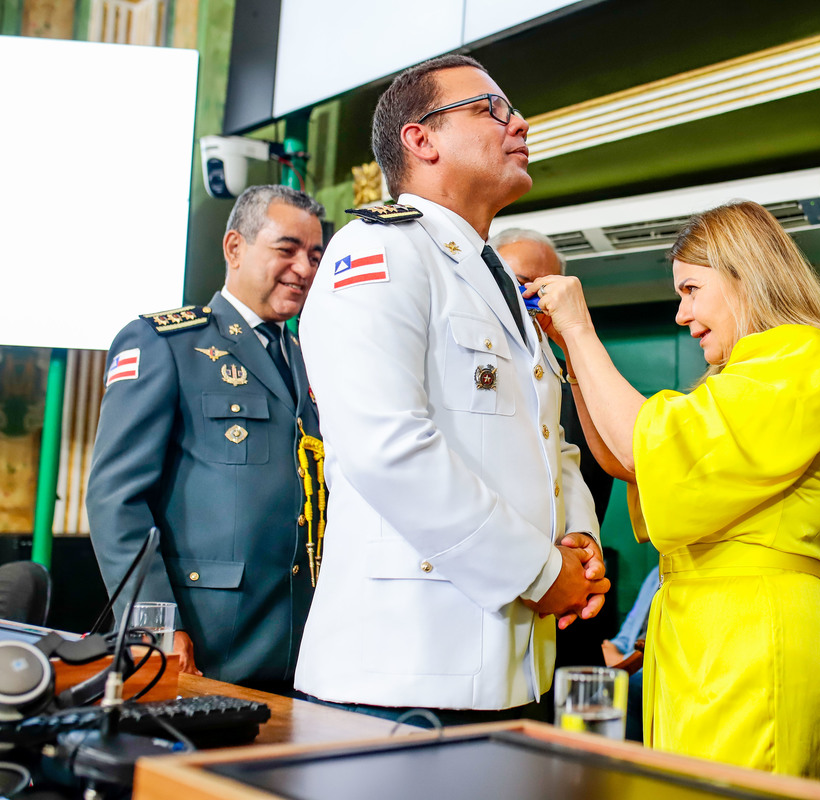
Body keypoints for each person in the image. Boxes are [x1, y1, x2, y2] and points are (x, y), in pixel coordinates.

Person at [294, 54, 608, 724]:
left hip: (509, 670)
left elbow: (549, 443)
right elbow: (387, 445)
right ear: (421, 139)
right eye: (491, 109)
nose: (518, 122)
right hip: (402, 677)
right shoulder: (375, 253)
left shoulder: (493, 278)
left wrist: (580, 537)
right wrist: (543, 573)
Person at [530, 201, 820, 777]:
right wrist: (571, 353)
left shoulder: (804, 357)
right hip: (697, 635)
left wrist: (583, 330)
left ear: (745, 275)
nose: (682, 314)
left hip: (754, 638)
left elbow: (641, 446)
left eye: (691, 289)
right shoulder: (743, 377)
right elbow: (624, 461)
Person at [87, 185, 326, 691]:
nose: (304, 269)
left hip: (304, 639)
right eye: (286, 250)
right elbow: (116, 498)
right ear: (234, 248)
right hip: (205, 636)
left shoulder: (316, 358)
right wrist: (155, 626)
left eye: (314, 255)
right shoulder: (166, 343)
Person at [492, 228, 614, 524]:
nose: (533, 297)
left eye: (546, 289)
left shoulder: (573, 378)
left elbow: (595, 473)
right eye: (520, 283)